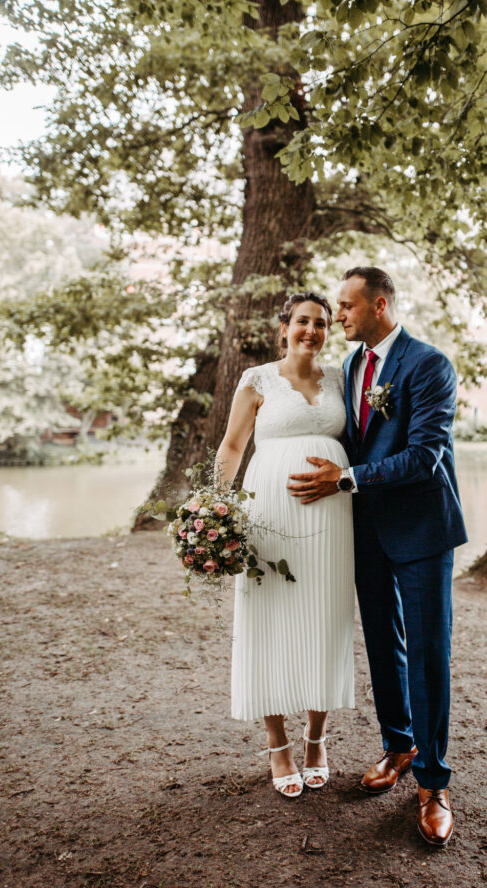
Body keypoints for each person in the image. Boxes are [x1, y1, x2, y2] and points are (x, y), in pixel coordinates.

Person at [287, 267, 467, 845]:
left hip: (422, 530)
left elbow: (425, 455)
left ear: (379, 306)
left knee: (428, 654)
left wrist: (346, 481)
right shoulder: (351, 366)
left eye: (346, 306)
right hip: (367, 531)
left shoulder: (429, 365)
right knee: (384, 647)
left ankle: (433, 784)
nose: (338, 315)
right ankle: (399, 746)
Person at [215, 292, 355, 799]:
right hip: (269, 513)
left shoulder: (341, 378)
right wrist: (214, 507)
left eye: (321, 323)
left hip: (332, 517)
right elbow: (233, 445)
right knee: (268, 617)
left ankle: (317, 737)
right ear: (284, 327)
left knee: (326, 618)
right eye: (302, 321)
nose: (311, 330)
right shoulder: (257, 380)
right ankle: (277, 744)